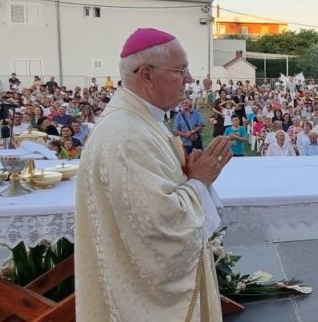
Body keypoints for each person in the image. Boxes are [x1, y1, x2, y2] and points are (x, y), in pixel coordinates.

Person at [76, 28, 232, 321]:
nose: (189, 79)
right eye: (180, 70)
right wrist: (200, 180)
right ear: (146, 75)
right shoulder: (126, 135)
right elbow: (160, 226)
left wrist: (187, 174)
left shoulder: (143, 118)